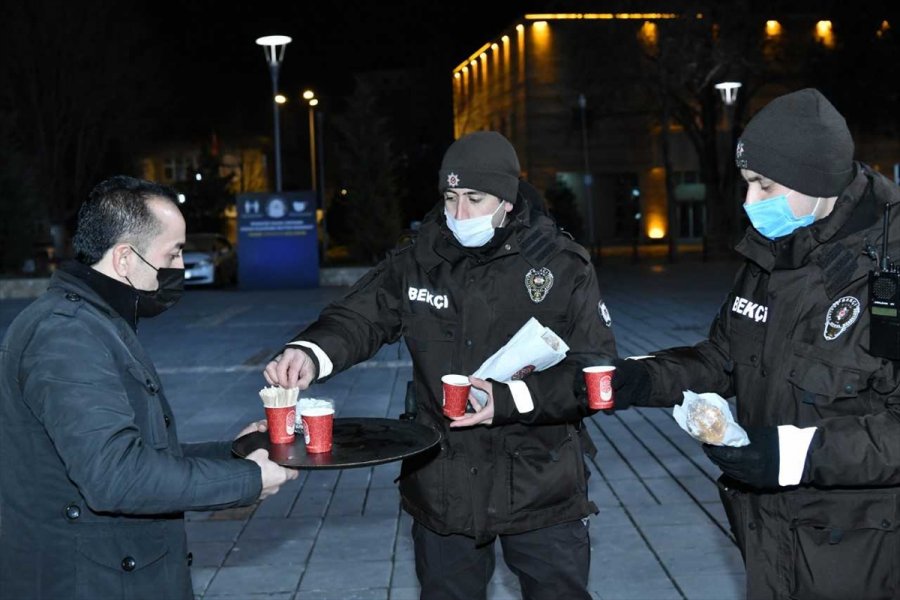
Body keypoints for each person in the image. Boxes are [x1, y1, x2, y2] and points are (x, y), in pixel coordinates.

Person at [265, 131, 617, 600]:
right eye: (450, 197)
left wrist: (510, 399)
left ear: (507, 201)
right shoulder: (418, 259)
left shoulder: (561, 265)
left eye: (475, 198)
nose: (459, 213)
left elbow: (597, 368)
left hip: (540, 481)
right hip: (443, 483)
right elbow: (358, 315)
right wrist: (309, 351)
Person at [607, 89, 900, 599]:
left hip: (861, 553)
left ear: (817, 179)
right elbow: (724, 357)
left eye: (765, 186)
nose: (750, 203)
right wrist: (644, 377)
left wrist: (794, 455)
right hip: (770, 536)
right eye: (747, 185)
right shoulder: (771, 256)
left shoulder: (889, 277)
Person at [0, 175, 298, 599]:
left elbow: (133, 452)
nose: (180, 267)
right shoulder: (66, 337)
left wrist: (234, 452)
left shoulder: (94, 320)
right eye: (173, 253)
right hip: (90, 582)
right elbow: (116, 477)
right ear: (125, 258)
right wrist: (247, 481)